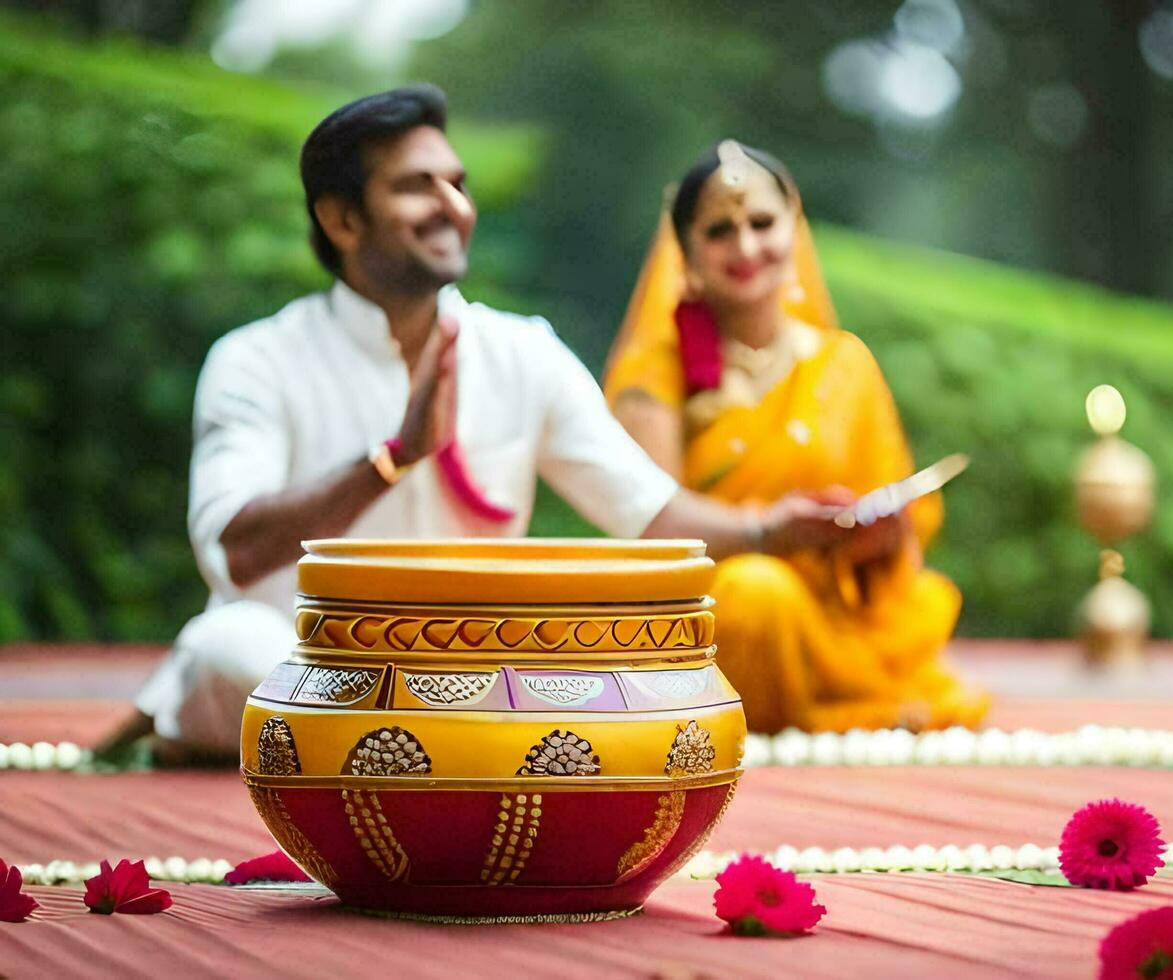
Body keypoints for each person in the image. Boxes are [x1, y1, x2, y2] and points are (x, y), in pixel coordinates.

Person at [97, 89, 854, 762]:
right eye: (416, 187)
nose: (452, 205)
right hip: (303, 662)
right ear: (341, 217)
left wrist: (771, 529)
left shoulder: (521, 352)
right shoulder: (257, 359)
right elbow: (230, 549)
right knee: (235, 647)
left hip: (479, 671)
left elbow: (647, 510)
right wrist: (390, 460)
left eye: (456, 184)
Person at [604, 140, 987, 734]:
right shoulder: (655, 371)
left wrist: (875, 535)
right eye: (720, 231)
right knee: (757, 596)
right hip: (710, 613)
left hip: (831, 609)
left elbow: (904, 517)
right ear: (687, 253)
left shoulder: (843, 363)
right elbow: (652, 528)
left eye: (762, 223)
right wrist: (766, 532)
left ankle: (832, 694)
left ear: (794, 229)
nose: (747, 247)